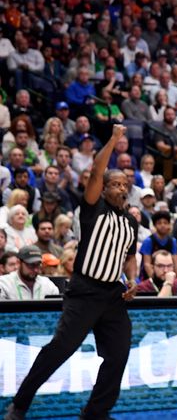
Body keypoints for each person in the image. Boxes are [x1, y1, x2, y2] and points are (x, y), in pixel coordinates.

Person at [4, 125, 138, 420]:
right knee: (60, 348)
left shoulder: (131, 221)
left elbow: (130, 256)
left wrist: (133, 279)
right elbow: (95, 170)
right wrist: (115, 140)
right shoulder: (94, 208)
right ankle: (21, 404)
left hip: (113, 296)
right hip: (85, 290)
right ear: (103, 188)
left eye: (125, 184)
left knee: (117, 355)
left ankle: (95, 413)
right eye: (115, 184)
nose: (121, 188)